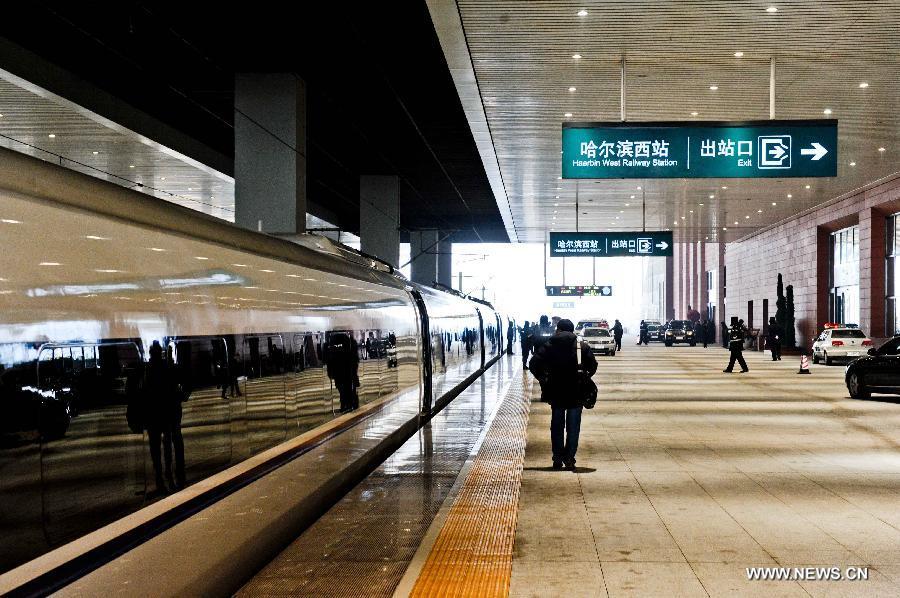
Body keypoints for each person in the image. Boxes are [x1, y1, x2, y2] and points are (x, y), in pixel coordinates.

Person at [528, 319, 597, 470]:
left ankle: (557, 458)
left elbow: (533, 364)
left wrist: (543, 378)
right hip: (576, 393)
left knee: (557, 426)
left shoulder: (549, 345)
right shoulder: (581, 346)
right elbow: (593, 365)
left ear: (558, 330)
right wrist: (584, 376)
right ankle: (570, 458)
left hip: (556, 393)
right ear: (572, 331)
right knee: (573, 427)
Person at [327, 332, 360, 412]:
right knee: (345, 388)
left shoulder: (334, 344)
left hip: (342, 372)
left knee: (344, 389)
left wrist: (330, 373)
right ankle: (348, 404)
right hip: (343, 372)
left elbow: (329, 361)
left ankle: (347, 404)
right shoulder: (348, 343)